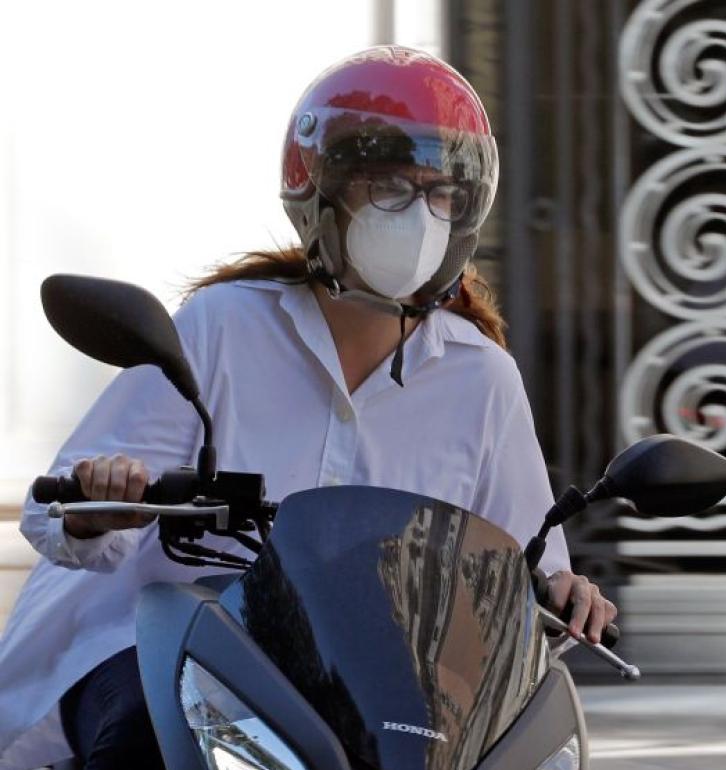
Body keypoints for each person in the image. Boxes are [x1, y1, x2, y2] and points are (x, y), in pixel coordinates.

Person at [0, 46, 616, 770]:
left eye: (439, 192)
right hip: (166, 637)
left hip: (366, 681)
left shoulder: (483, 379)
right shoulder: (221, 328)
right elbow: (54, 513)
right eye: (389, 186)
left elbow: (520, 567)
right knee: (147, 734)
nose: (418, 214)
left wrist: (564, 593)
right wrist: (102, 500)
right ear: (323, 193)